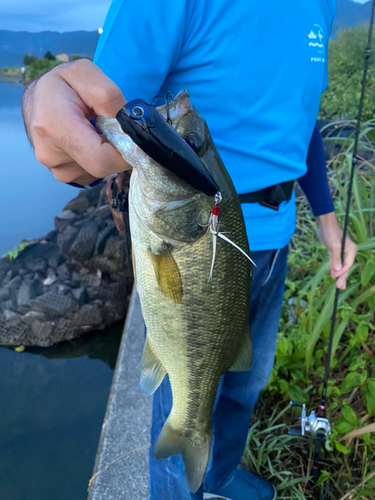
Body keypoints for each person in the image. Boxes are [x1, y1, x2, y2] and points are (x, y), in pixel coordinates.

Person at [22, 1, 357, 499]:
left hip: (275, 237)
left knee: (246, 383)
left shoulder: (325, 4)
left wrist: (327, 218)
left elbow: (299, 114)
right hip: (192, 239)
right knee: (187, 391)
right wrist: (40, 98)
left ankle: (217, 477)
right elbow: (99, 110)